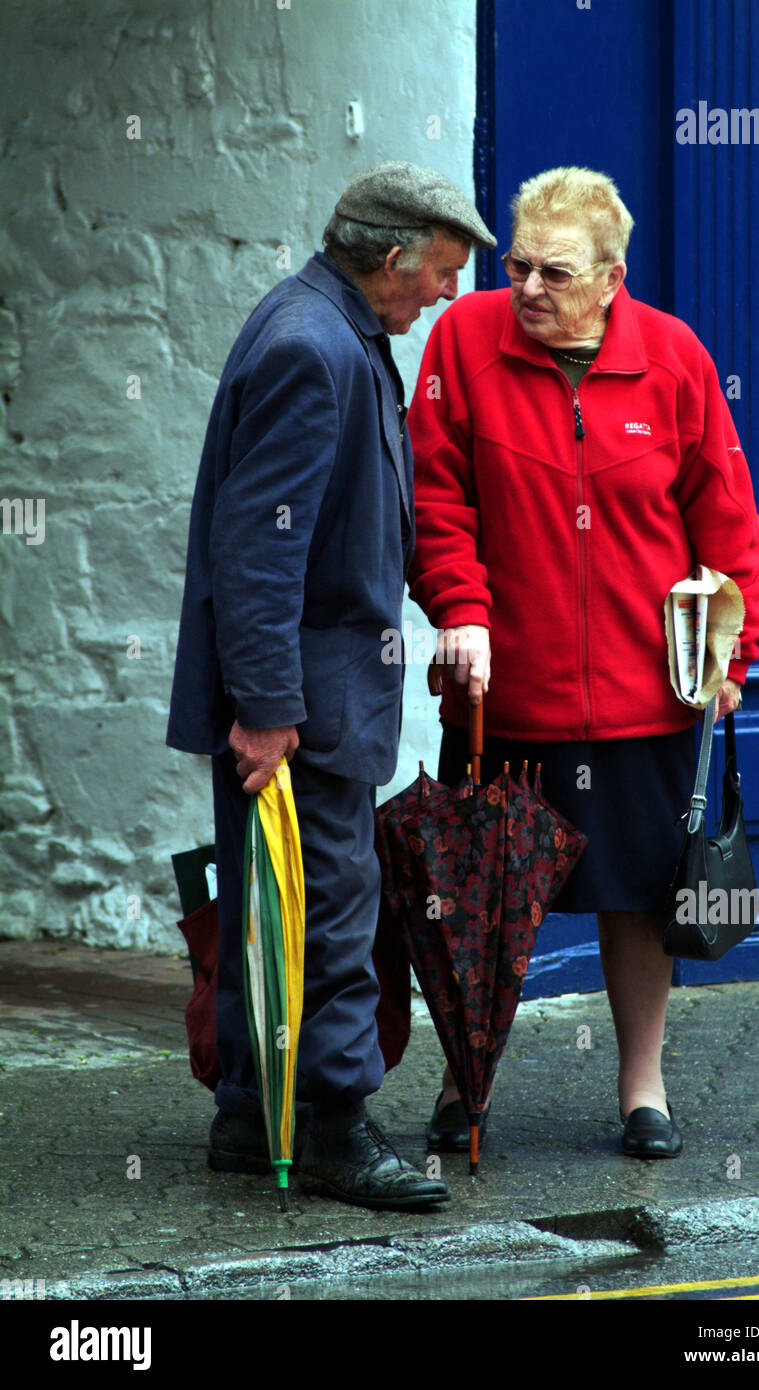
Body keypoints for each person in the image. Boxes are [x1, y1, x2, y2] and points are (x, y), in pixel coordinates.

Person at [407, 165, 759, 1160]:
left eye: (553, 273)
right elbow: (434, 502)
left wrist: (735, 646)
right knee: (484, 893)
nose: (525, 289)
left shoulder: (672, 359)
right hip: (503, 692)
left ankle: (640, 1087)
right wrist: (460, 609)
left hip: (641, 694)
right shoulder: (460, 345)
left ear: (611, 276)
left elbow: (722, 515)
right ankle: (463, 1077)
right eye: (516, 265)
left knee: (642, 893)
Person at [166, 162, 496, 1208]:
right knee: (333, 908)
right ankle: (335, 1128)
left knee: (276, 904)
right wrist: (266, 711)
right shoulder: (315, 348)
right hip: (301, 703)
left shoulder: (329, 328)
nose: (444, 295)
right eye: (437, 273)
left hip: (301, 694)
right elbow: (256, 552)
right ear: (389, 257)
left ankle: (245, 1114)